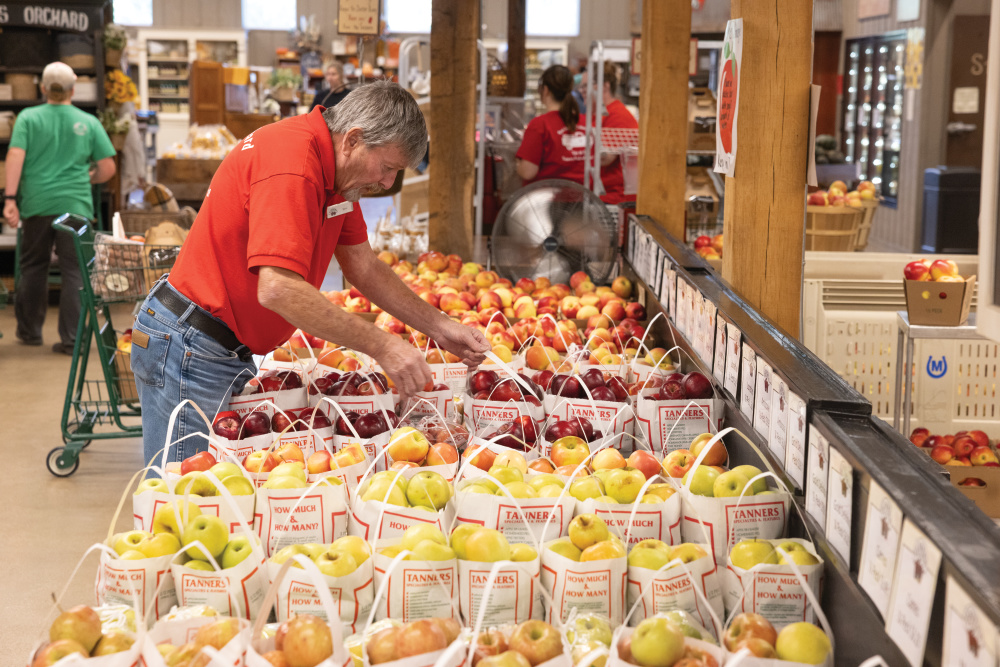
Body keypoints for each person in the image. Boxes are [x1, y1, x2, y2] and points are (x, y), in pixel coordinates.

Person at [131, 80, 489, 466]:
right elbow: (278, 289)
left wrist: (439, 325)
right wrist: (383, 345)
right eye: (387, 168)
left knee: (213, 496)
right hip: (191, 348)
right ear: (352, 139)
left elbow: (364, 267)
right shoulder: (293, 166)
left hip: (216, 348)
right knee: (185, 500)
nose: (387, 183)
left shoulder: (337, 176)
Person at [3, 62, 117, 354]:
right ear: (73, 89)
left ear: (43, 88)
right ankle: (72, 340)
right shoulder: (88, 122)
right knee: (75, 271)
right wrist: (88, 177)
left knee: (33, 267)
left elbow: (15, 155)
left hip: (37, 204)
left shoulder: (28, 118)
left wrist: (11, 198)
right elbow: (107, 167)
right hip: (75, 206)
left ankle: (29, 332)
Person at [515, 65, 587, 185]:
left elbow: (528, 172)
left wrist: (518, 163)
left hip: (546, 200)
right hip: (581, 201)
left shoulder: (540, 125)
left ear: (545, 90)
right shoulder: (586, 123)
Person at [593, 61, 639, 204]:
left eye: (587, 85)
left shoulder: (618, 116)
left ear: (605, 86)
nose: (583, 90)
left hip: (614, 197)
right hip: (603, 192)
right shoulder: (601, 114)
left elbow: (606, 158)